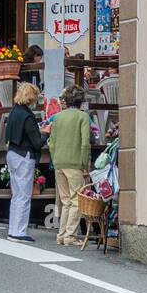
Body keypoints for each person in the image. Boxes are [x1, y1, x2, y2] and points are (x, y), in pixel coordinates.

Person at [48, 83, 92, 246]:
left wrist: (55, 159)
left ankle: (61, 235)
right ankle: (70, 237)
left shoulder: (58, 117)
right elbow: (85, 143)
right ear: (81, 101)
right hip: (75, 163)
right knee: (76, 200)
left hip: (59, 162)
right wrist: (84, 164)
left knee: (65, 200)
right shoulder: (83, 117)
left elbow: (52, 143)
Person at [4, 81, 44, 243]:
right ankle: (19, 232)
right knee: (24, 195)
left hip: (12, 154)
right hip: (24, 156)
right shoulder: (27, 116)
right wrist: (46, 133)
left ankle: (13, 229)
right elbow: (37, 142)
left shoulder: (14, 111)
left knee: (16, 195)